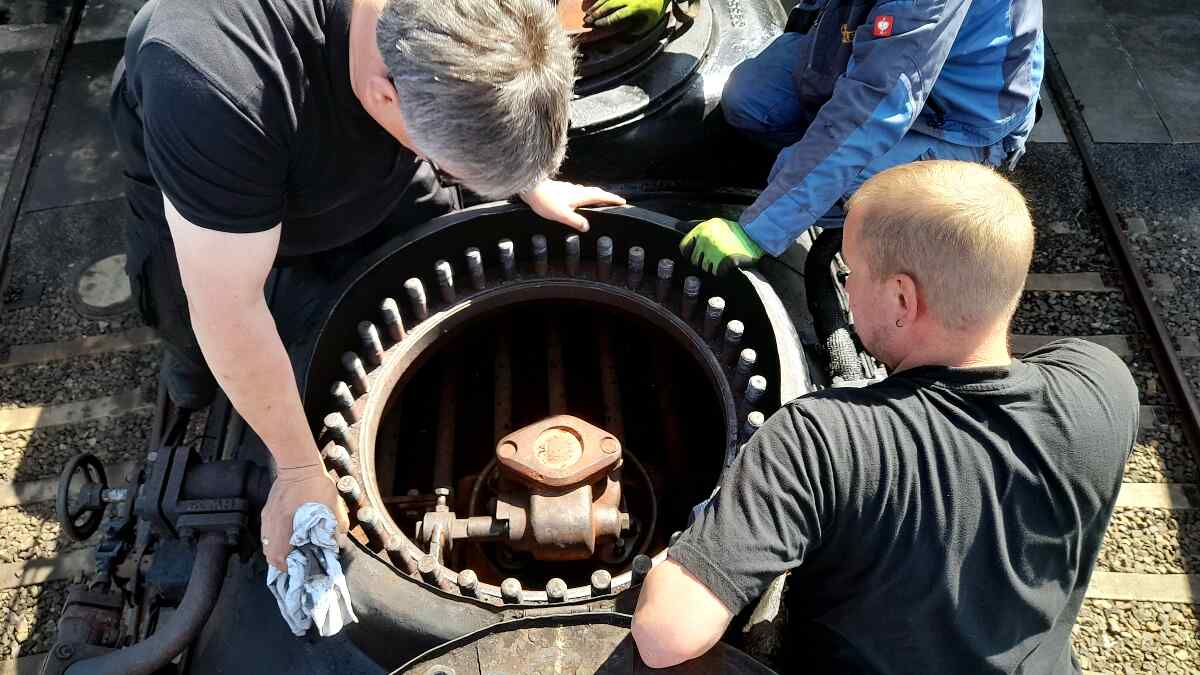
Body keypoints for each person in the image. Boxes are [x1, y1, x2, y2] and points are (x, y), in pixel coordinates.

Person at [110, 0, 626, 572]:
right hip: (217, 159)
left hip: (358, 134)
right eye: (446, 166)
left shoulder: (441, 45)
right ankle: (190, 380)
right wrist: (299, 470)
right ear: (385, 97)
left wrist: (525, 176)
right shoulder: (213, 83)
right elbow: (228, 308)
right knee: (187, 316)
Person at [632, 160, 1138, 673]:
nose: (846, 289)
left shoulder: (822, 440)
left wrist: (677, 554)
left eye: (850, 272)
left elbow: (666, 635)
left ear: (902, 298)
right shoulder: (1102, 385)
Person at [679, 0, 1044, 275]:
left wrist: (760, 228)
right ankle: (811, 172)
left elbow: (872, 107)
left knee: (867, 199)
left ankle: (824, 203)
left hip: (950, 120)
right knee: (752, 100)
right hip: (858, 39)